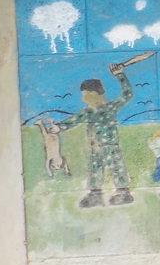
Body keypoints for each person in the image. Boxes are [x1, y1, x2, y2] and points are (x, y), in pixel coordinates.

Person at [58, 62, 135, 207]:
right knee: (95, 170)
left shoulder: (110, 107)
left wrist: (119, 75)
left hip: (110, 146)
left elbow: (127, 94)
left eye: (86, 95)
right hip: (95, 147)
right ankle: (95, 195)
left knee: (116, 168)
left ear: (94, 94)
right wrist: (58, 128)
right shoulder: (88, 111)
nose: (84, 99)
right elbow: (73, 120)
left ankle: (123, 193)